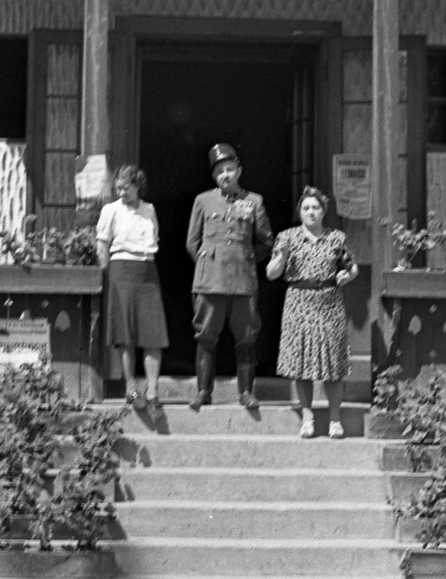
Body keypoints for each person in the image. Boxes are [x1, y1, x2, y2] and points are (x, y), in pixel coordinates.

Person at [185, 142, 273, 412]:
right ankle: (203, 391)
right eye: (220, 171)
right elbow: (192, 243)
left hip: (243, 282)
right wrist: (207, 263)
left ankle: (246, 392)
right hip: (210, 281)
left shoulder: (254, 201)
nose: (226, 175)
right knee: (206, 336)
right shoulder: (203, 200)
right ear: (214, 176)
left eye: (230, 169)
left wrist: (247, 258)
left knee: (246, 337)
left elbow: (266, 242)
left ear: (239, 170)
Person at [267, 186, 359, 440]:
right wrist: (281, 257)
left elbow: (352, 268)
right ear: (300, 211)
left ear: (323, 211)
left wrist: (346, 275)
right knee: (301, 361)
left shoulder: (336, 238)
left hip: (329, 301)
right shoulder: (287, 237)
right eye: (306, 208)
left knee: (332, 363)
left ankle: (334, 419)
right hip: (298, 301)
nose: (311, 212)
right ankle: (307, 417)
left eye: (315, 208)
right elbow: (271, 273)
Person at [96, 164, 169, 414]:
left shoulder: (149, 210)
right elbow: (102, 244)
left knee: (153, 332)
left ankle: (153, 390)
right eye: (118, 188)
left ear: (138, 186)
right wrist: (105, 275)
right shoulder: (110, 210)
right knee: (125, 332)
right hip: (121, 270)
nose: (121, 192)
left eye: (126, 188)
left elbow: (154, 238)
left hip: (147, 270)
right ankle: (131, 388)